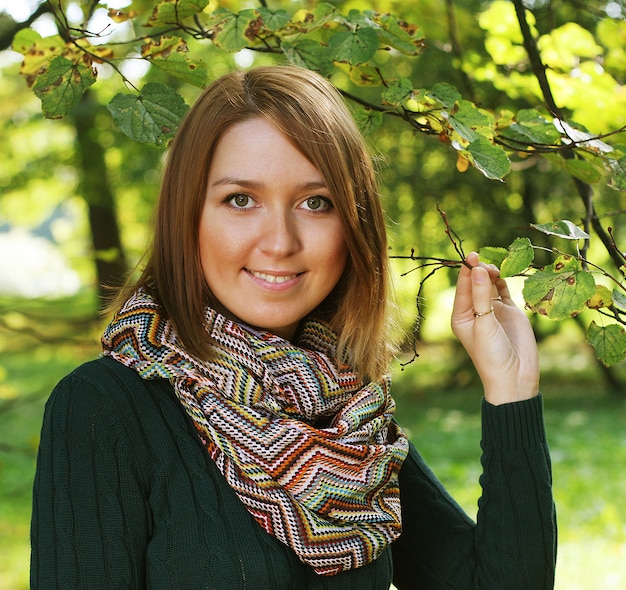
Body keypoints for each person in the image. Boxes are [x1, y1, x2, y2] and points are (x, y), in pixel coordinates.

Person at [30, 65, 556, 589]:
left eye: (315, 203)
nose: (280, 242)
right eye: (241, 200)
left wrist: (511, 390)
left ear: (353, 225)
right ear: (186, 216)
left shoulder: (350, 417)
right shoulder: (102, 409)